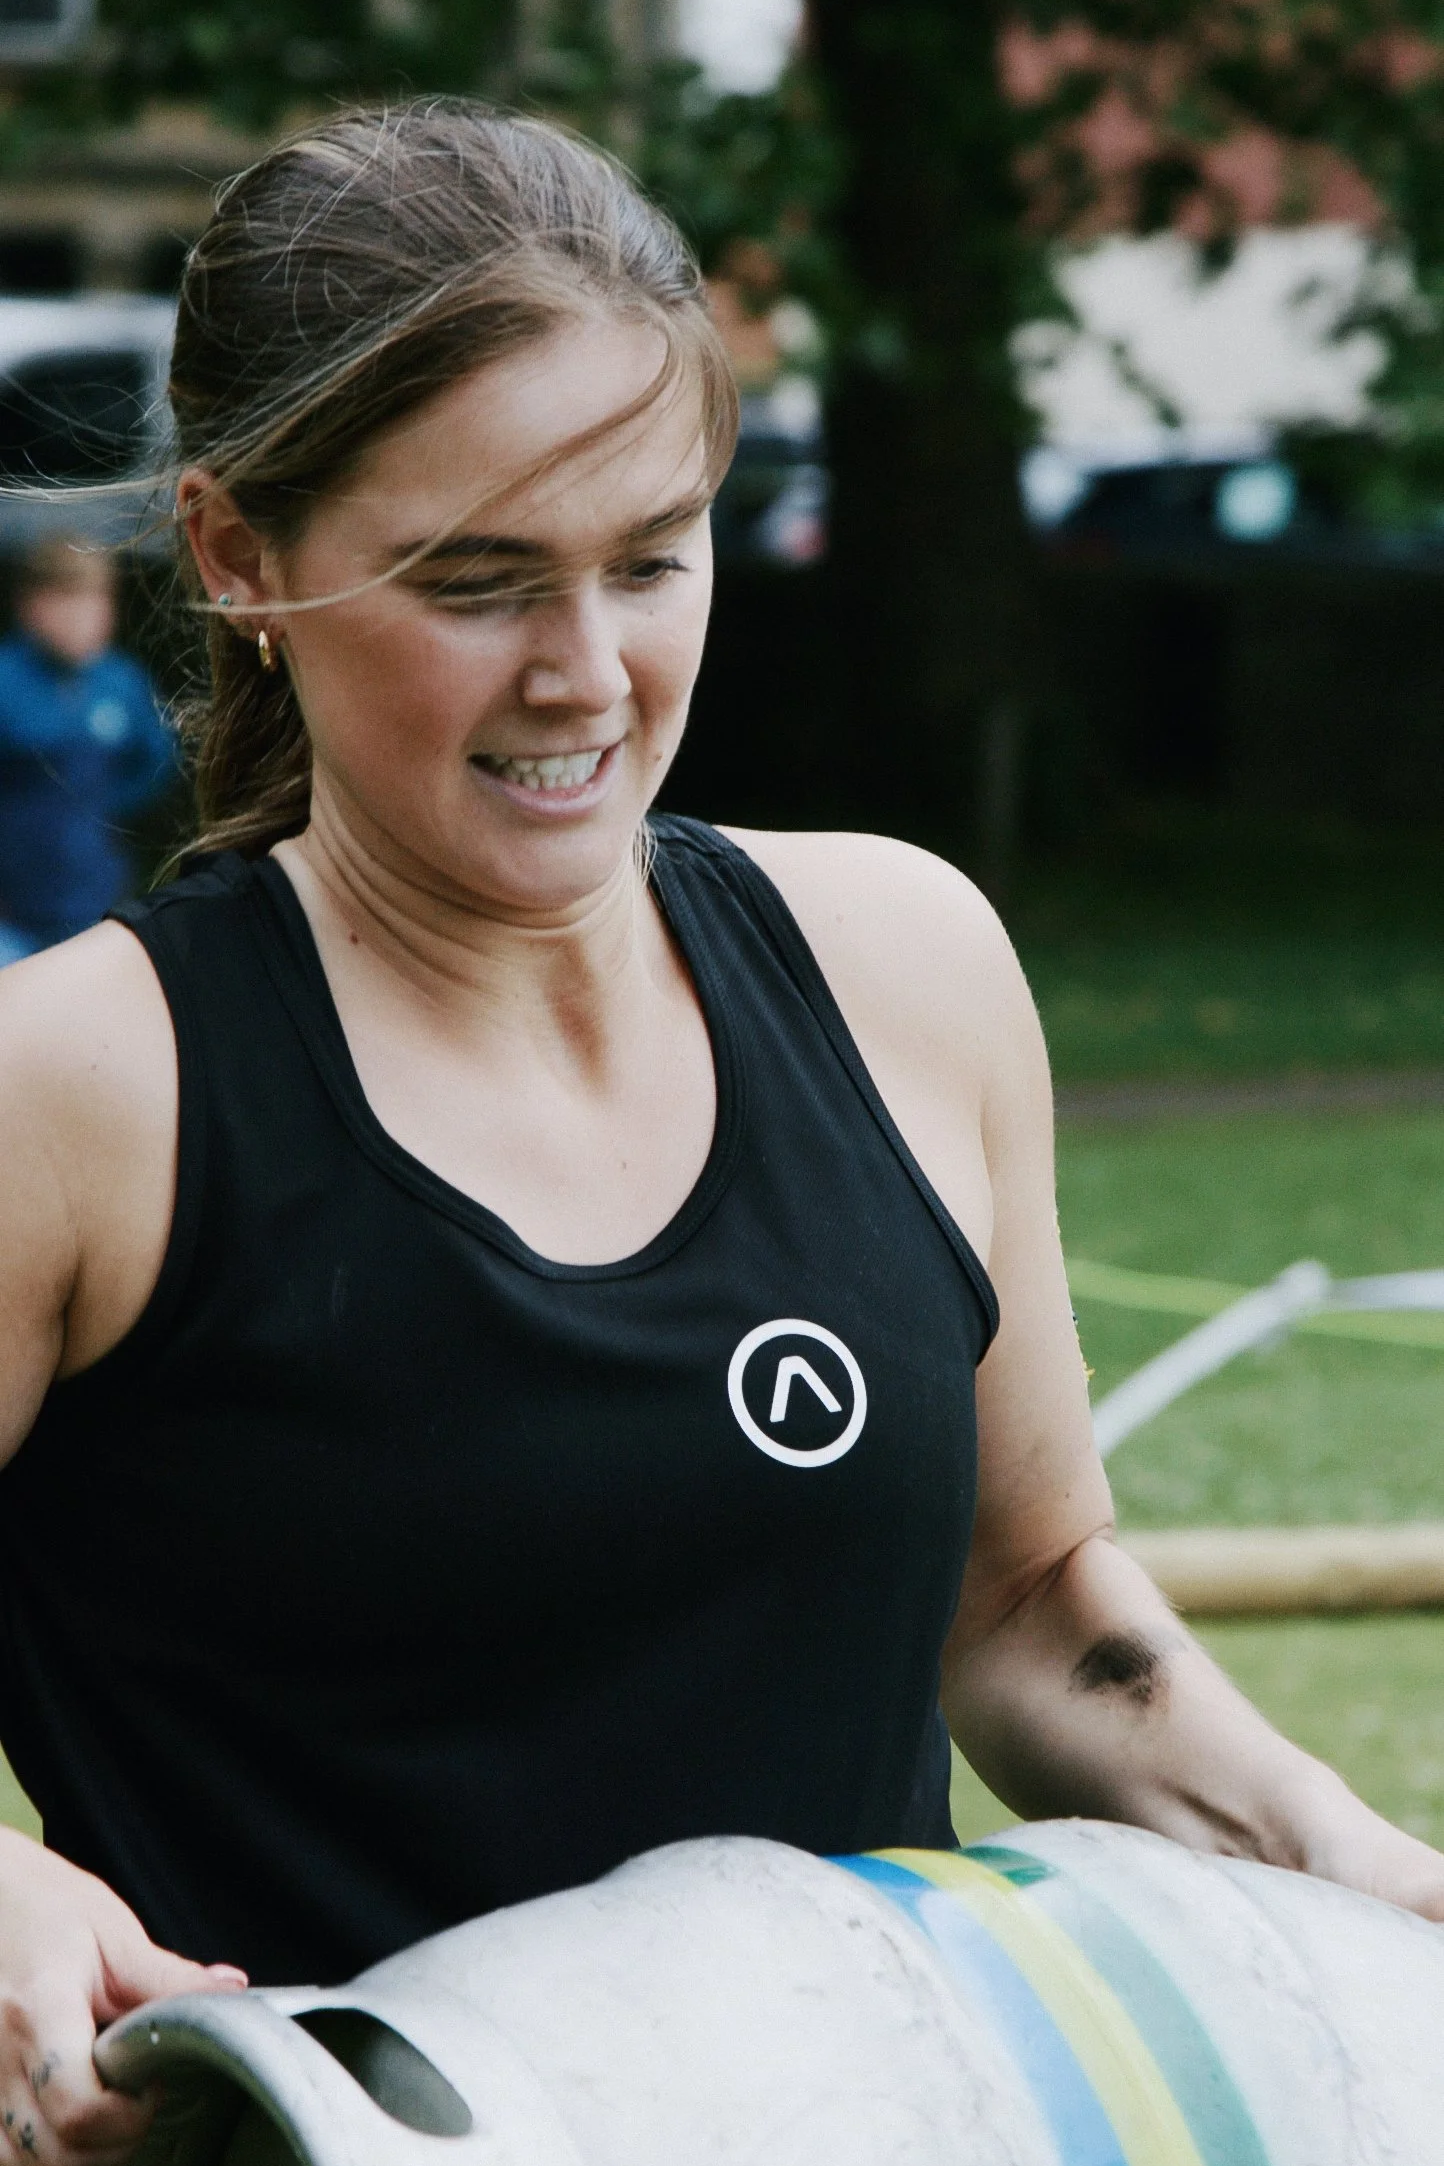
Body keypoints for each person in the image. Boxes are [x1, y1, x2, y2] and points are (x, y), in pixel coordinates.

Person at [0, 98, 1437, 2166]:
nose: (587, 674)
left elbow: (1031, 1610)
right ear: (237, 556)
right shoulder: (83, 1088)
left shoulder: (902, 964)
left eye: (651, 561)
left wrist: (1354, 1870)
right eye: (478, 582)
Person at [0, 538, 173, 961]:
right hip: (12, 911)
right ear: (30, 605)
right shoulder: (6, 680)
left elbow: (158, 759)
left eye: (96, 600)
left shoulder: (121, 680)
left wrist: (101, 809)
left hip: (95, 901)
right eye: (68, 599)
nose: (83, 617)